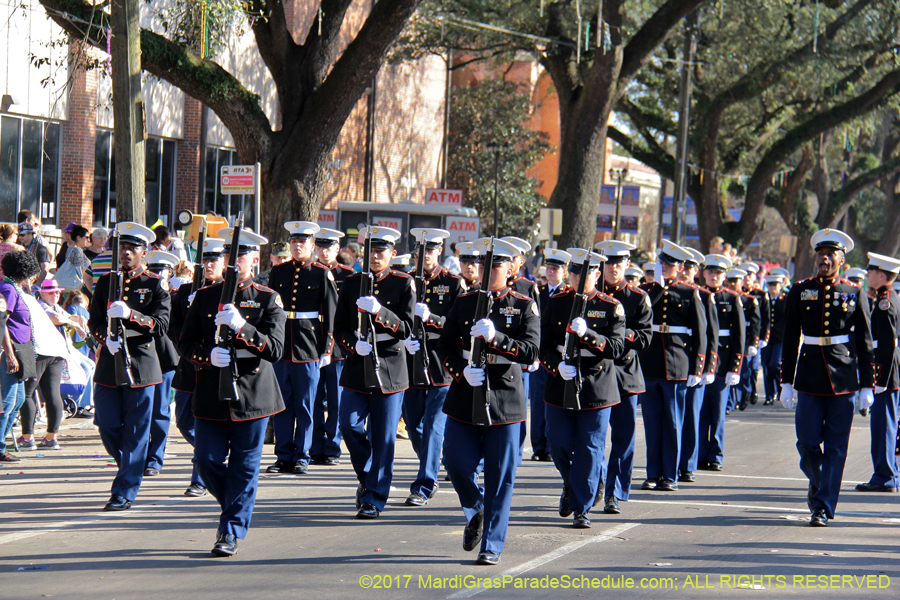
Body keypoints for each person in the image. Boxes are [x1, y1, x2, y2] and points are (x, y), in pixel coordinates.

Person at [180, 226, 285, 556]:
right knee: (206, 458)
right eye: (229, 254)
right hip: (212, 389)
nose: (233, 260)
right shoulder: (206, 297)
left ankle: (230, 531)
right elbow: (185, 342)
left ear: (254, 259)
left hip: (252, 393)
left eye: (240, 254)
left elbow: (275, 349)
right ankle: (236, 506)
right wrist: (205, 355)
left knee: (244, 466)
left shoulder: (268, 299)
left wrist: (243, 327)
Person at [438, 237, 539, 565]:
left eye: (493, 264)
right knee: (455, 460)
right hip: (467, 390)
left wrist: (498, 338)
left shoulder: (524, 305)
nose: (485, 269)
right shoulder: (465, 301)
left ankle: (491, 545)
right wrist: (460, 372)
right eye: (482, 264)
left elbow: (531, 351)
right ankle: (476, 508)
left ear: (511, 269)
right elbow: (446, 346)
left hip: (505, 396)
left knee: (500, 474)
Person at [780, 228, 875, 527]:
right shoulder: (800, 290)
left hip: (842, 380)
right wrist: (785, 381)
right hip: (808, 376)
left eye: (830, 255)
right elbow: (789, 337)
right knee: (807, 442)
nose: (824, 259)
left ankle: (822, 506)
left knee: (836, 448)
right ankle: (820, 482)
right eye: (820, 254)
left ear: (841, 260)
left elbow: (865, 342)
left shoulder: (853, 292)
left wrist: (867, 386)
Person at [333, 225, 414, 519]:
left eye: (381, 252)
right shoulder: (353, 282)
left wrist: (380, 312)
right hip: (358, 362)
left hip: (390, 365)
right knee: (349, 424)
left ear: (392, 254)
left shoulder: (404, 283)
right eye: (371, 251)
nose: (375, 257)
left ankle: (374, 498)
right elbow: (340, 325)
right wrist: (353, 344)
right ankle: (368, 477)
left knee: (383, 436)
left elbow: (407, 328)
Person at [88, 222, 170, 511]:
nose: (125, 252)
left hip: (141, 363)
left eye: (132, 248)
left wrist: (132, 315)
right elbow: (94, 320)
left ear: (144, 252)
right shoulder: (106, 282)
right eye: (122, 247)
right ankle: (130, 464)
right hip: (111, 362)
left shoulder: (154, 284)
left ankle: (124, 490)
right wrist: (104, 338)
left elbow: (160, 325)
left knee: (135, 431)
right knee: (108, 424)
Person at [541, 247, 625, 528]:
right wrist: (556, 366)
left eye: (584, 272)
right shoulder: (556, 301)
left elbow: (616, 348)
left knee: (590, 447)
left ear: (596, 274)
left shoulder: (610, 305)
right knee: (558, 443)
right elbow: (542, 344)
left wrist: (587, 334)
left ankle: (582, 507)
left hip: (596, 384)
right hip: (562, 380)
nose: (577, 276)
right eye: (574, 271)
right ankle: (572, 483)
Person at [265, 221, 336, 476]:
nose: (297, 245)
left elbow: (329, 314)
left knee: (306, 404)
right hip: (282, 345)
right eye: (294, 241)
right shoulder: (279, 271)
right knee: (282, 404)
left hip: (308, 346)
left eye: (302, 241)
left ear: (312, 245)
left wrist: (327, 349)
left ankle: (302, 455)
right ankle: (283, 455)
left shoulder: (320, 273)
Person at [638, 240, 707, 491]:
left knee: (673, 423)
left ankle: (670, 475)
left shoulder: (689, 292)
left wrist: (697, 368)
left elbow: (701, 334)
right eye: (662, 263)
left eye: (670, 265)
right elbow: (642, 315)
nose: (665, 267)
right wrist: (657, 286)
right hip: (650, 364)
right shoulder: (646, 290)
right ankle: (652, 473)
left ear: (679, 268)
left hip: (677, 365)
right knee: (652, 423)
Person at [401, 228, 462, 507]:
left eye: (430, 250)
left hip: (440, 362)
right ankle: (439, 459)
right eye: (420, 250)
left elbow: (459, 325)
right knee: (414, 425)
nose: (424, 255)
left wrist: (434, 319)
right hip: (411, 360)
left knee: (434, 424)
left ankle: (425, 484)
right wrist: (403, 340)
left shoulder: (452, 283)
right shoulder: (405, 281)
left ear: (440, 251)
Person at [597, 240, 653, 514]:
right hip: (595, 375)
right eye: (608, 262)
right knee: (591, 437)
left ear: (627, 265)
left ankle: (614, 492)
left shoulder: (638, 298)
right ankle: (592, 483)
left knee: (623, 438)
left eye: (618, 263)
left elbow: (645, 338)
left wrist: (621, 334)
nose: (613, 268)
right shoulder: (590, 295)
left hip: (626, 375)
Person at [169, 237, 227, 497]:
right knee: (183, 422)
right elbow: (174, 327)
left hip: (215, 369)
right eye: (205, 259)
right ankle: (212, 450)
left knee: (204, 423)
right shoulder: (184, 292)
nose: (209, 264)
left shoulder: (229, 292)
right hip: (190, 366)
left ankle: (199, 479)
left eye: (214, 259)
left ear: (224, 262)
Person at [855, 252, 900, 493]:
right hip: (890, 373)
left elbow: (886, 345)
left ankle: (885, 476)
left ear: (881, 275)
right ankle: (888, 473)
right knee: (887, 424)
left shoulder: (885, 303)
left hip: (886, 375)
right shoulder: (890, 297)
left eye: (870, 271)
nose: (867, 275)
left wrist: (878, 379)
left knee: (883, 426)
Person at [696, 260, 745, 474]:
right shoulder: (697, 295)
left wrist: (735, 367)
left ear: (724, 276)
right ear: (704, 274)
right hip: (700, 362)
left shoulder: (732, 298)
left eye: (718, 273)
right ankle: (699, 454)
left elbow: (739, 336)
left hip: (722, 363)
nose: (714, 276)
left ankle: (715, 455)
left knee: (717, 413)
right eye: (710, 272)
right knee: (700, 412)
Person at [311, 228, 354, 466]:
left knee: (336, 399)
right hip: (310, 342)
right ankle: (316, 445)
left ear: (337, 249)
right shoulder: (310, 272)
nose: (324, 251)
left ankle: (332, 446)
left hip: (337, 346)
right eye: (320, 246)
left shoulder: (347, 275)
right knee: (314, 399)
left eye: (329, 247)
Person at [677, 248, 719, 482]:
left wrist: (708, 368)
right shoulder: (670, 292)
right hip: (673, 363)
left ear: (696, 271)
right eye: (682, 266)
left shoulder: (703, 295)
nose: (685, 272)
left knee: (692, 416)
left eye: (689, 267)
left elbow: (711, 336)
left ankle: (687, 464)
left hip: (695, 364)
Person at [529, 248, 571, 462]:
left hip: (559, 355)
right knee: (538, 400)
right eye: (549, 268)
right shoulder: (538, 292)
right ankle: (539, 446)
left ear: (564, 272)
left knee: (554, 401)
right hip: (541, 354)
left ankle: (553, 443)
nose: (551, 272)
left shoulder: (568, 295)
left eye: (556, 269)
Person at [17, 284, 70, 450]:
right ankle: (51, 438)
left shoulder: (13, 297)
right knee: (52, 393)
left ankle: (27, 438)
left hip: (39, 348)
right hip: (56, 347)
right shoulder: (32, 299)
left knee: (26, 392)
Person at [142, 250, 181, 477]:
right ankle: (140, 454)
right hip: (141, 356)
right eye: (153, 270)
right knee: (140, 410)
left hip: (165, 357)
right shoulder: (142, 293)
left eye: (162, 270)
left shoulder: (177, 296)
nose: (157, 274)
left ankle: (155, 458)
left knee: (159, 410)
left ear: (170, 272)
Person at [0, 251, 38, 463]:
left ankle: (1, 443)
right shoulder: (7, 289)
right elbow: (1, 322)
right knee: (7, 402)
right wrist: (9, 354)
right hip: (10, 351)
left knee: (19, 400)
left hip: (20, 349)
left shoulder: (13, 288)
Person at [739, 262, 769, 409]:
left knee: (754, 367)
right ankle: (744, 395)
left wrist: (764, 338)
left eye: (749, 276)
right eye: (744, 276)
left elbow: (766, 319)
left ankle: (753, 389)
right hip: (741, 335)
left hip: (755, 335)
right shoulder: (736, 294)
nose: (746, 279)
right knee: (744, 368)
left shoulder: (761, 295)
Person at [762, 271, 788, 406]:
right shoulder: (764, 299)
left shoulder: (785, 299)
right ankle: (769, 395)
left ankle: (780, 387)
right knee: (766, 366)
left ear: (780, 285)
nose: (772, 288)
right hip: (766, 338)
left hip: (780, 338)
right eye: (770, 285)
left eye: (775, 285)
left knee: (775, 364)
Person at [17, 222, 51, 286]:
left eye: (22, 235)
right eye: (19, 235)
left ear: (30, 234)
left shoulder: (40, 248)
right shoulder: (18, 246)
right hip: (19, 282)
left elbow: (44, 268)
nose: (20, 237)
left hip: (33, 283)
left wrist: (38, 283)